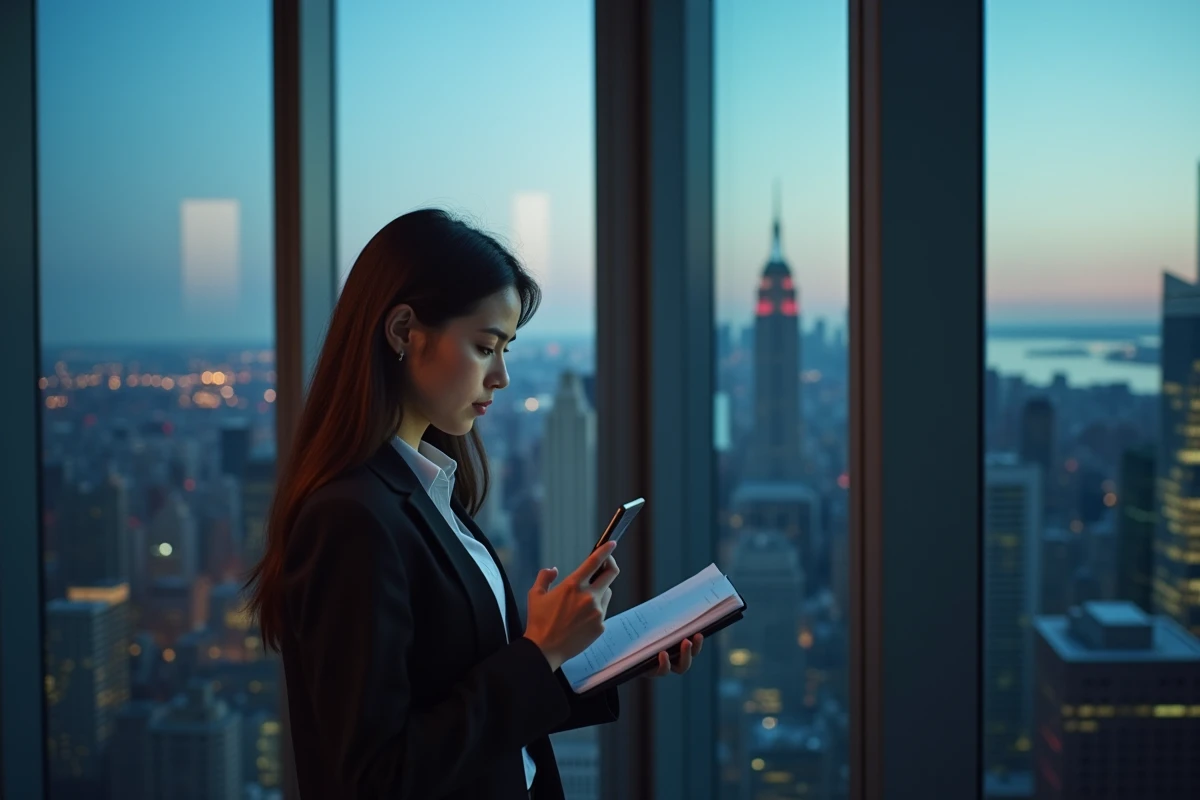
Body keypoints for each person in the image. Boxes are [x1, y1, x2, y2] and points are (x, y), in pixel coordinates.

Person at [246, 209, 704, 800]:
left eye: (506, 348)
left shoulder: (427, 489)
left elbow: (460, 700)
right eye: (486, 347)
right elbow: (375, 778)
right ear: (404, 331)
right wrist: (540, 651)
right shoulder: (350, 519)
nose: (502, 377)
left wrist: (599, 658)